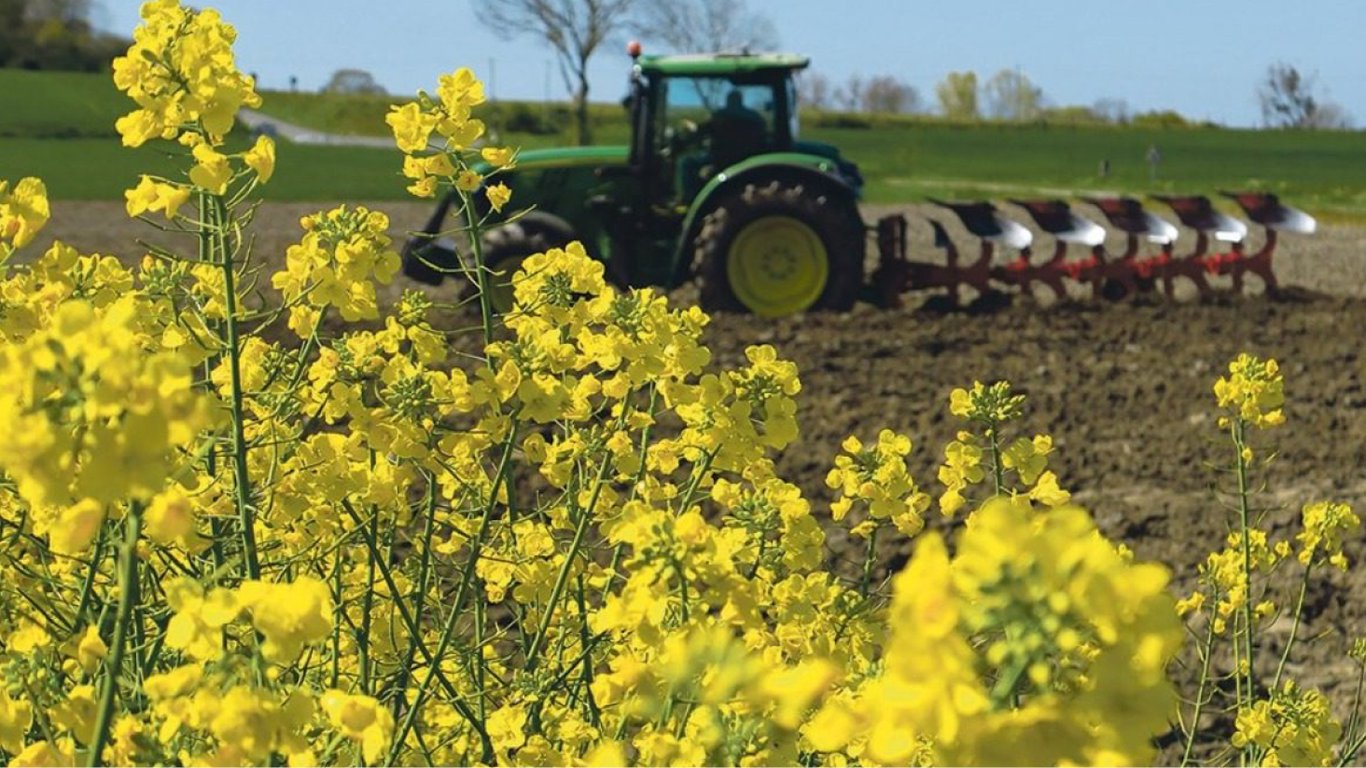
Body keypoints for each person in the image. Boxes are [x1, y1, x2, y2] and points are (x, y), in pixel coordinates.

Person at [707, 89, 767, 168]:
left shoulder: (720, 115)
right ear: (741, 100)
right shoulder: (754, 116)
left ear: (728, 100)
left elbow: (706, 130)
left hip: (722, 160)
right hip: (750, 161)